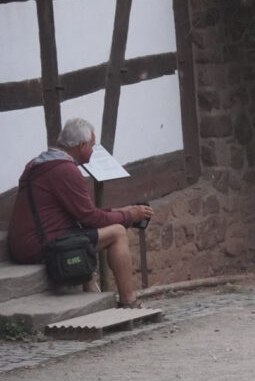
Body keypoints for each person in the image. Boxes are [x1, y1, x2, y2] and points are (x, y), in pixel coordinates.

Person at [6, 118, 154, 307]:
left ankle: (95, 300)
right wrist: (128, 216)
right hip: (39, 245)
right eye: (92, 145)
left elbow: (81, 212)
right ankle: (129, 301)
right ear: (82, 146)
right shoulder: (65, 170)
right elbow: (90, 218)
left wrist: (118, 210)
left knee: (88, 235)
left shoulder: (38, 163)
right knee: (117, 232)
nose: (93, 150)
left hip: (25, 243)